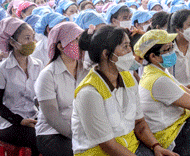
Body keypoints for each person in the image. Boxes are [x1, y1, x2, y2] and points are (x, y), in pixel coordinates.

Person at [72, 25, 168, 156]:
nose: (130, 51)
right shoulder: (89, 92)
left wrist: (156, 146)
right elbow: (108, 145)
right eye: (125, 47)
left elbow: (139, 123)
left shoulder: (128, 78)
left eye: (129, 45)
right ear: (106, 54)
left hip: (130, 148)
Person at [0, 17, 42, 156]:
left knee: (53, 134)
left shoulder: (38, 65)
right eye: (27, 38)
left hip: (31, 117)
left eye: (32, 37)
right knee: (37, 138)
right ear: (13, 42)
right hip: (7, 123)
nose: (31, 42)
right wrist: (20, 120)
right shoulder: (2, 69)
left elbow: (40, 96)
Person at [35, 22, 87, 156]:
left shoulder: (87, 70)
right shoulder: (48, 75)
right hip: (52, 133)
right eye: (76, 40)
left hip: (83, 130)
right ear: (61, 46)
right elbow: (53, 118)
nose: (80, 44)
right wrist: (78, 136)